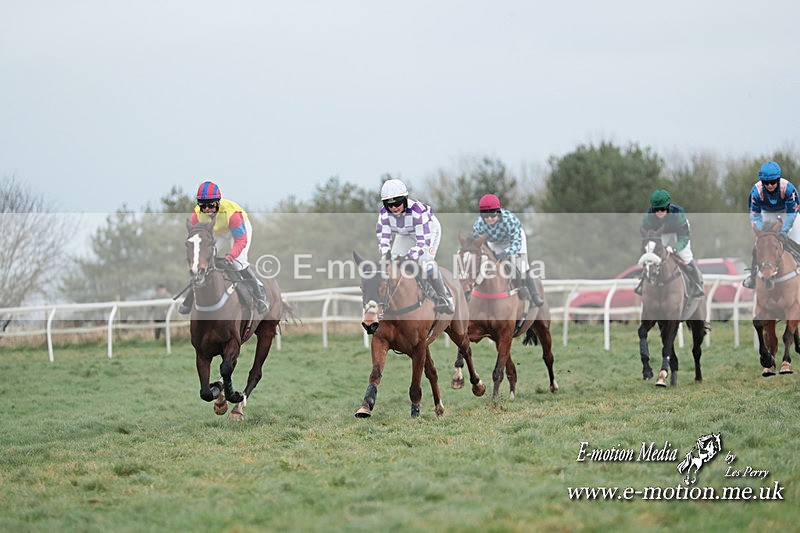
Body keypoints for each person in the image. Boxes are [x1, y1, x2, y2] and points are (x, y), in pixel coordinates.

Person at [179, 180, 269, 314]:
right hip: (217, 232)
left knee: (239, 263)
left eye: (210, 205)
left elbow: (240, 241)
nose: (207, 209)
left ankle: (260, 295)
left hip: (239, 232)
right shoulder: (196, 215)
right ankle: (189, 299)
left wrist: (230, 257)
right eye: (203, 206)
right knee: (204, 263)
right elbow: (195, 237)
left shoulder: (232, 214)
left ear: (218, 202)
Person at [376, 178, 454, 314]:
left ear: (405, 200)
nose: (394, 207)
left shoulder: (417, 211)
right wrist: (385, 257)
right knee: (391, 263)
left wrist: (408, 256)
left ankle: (445, 297)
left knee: (425, 262)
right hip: (405, 233)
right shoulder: (384, 215)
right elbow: (384, 240)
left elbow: (422, 243)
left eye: (398, 203)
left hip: (428, 230)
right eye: (389, 204)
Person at [472, 194, 544, 307]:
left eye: (492, 215)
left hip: (514, 239)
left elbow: (516, 244)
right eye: (486, 216)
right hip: (495, 241)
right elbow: (478, 244)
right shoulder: (478, 225)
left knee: (521, 265)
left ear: (498, 212)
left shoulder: (509, 220)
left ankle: (535, 295)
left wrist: (506, 253)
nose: (489, 219)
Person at [636, 189, 704, 298]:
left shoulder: (678, 215)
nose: (659, 212)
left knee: (686, 256)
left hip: (678, 230)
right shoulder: (648, 218)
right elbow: (646, 239)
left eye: (663, 208)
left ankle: (696, 285)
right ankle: (642, 282)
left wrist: (674, 249)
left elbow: (684, 238)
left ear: (668, 206)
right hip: (660, 231)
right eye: (656, 209)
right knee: (652, 253)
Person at [742, 161, 800, 289]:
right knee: (760, 244)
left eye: (773, 182)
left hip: (788, 213)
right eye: (766, 183)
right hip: (767, 213)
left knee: (797, 242)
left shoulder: (789, 189)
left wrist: (784, 231)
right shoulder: (756, 192)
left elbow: (792, 213)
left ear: (778, 180)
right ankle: (753, 276)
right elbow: (754, 215)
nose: (770, 185)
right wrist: (762, 232)